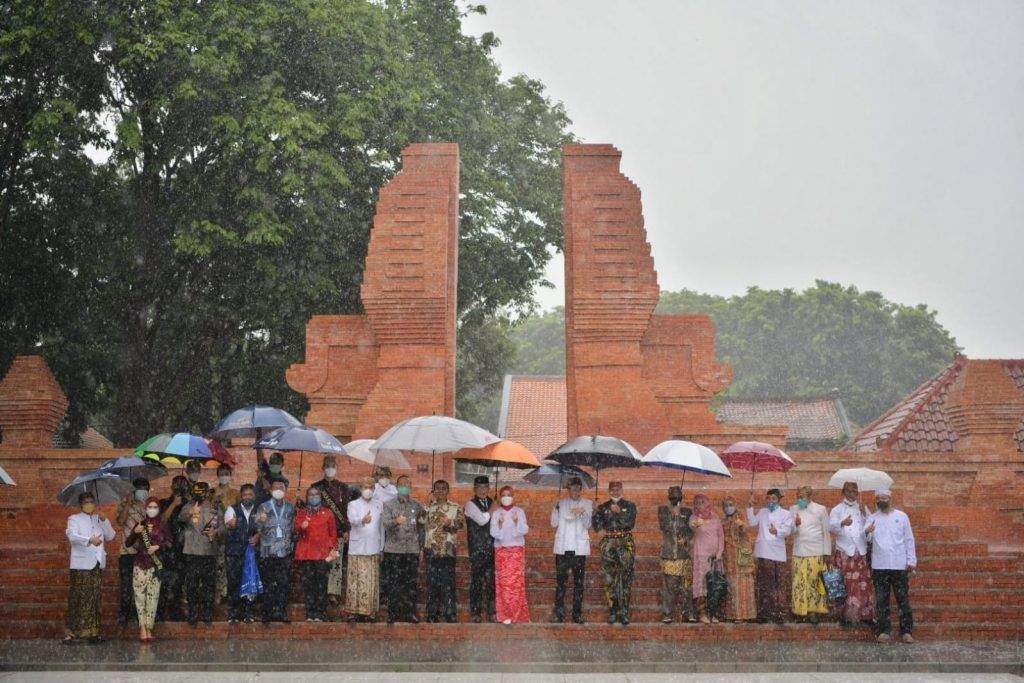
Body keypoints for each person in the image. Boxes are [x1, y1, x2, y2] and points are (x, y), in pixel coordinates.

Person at [865, 488, 917, 643]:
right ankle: (884, 631)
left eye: (884, 498)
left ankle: (906, 631)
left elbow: (909, 539)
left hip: (899, 565)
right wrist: (868, 531)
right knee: (882, 600)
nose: (882, 500)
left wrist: (911, 560)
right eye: (879, 498)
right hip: (880, 566)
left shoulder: (901, 517)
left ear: (889, 498)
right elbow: (866, 539)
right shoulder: (872, 518)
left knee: (903, 599)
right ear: (876, 500)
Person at [63, 492, 116, 644]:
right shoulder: (74, 519)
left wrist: (105, 520)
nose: (89, 504)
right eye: (86, 502)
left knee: (94, 598)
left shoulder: (99, 518)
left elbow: (111, 536)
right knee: (79, 598)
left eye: (91, 501)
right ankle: (75, 632)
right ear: (81, 504)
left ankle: (94, 631)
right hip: (81, 566)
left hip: (97, 564)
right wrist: (89, 540)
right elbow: (72, 536)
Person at [829, 481, 875, 627]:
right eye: (848, 491)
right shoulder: (837, 509)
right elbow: (831, 527)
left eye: (854, 491)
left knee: (862, 584)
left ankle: (863, 616)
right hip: (844, 551)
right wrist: (842, 523)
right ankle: (845, 616)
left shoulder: (862, 508)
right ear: (843, 492)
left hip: (859, 552)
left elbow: (871, 526)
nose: (852, 494)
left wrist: (865, 517)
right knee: (844, 583)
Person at [125, 496, 171, 642]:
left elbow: (170, 543)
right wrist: (135, 532)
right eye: (149, 507)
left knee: (153, 598)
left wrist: (158, 546)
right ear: (145, 509)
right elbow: (128, 543)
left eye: (154, 507)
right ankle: (142, 628)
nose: (152, 510)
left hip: (155, 566)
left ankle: (149, 627)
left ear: (158, 509)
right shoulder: (140, 524)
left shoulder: (162, 525)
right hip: (140, 564)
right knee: (140, 597)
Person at [592, 481, 637, 626]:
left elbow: (630, 524)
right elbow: (597, 527)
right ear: (609, 490)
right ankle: (613, 610)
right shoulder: (603, 506)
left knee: (625, 578)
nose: (615, 492)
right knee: (609, 579)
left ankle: (624, 612)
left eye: (618, 489)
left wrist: (618, 514)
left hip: (625, 542)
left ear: (622, 490)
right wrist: (595, 513)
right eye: (613, 489)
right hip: (609, 543)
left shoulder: (630, 506)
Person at [382, 475, 426, 623]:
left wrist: (421, 547)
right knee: (394, 583)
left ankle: (410, 613)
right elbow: (386, 524)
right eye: (401, 484)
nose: (404, 486)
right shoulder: (388, 505)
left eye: (407, 484)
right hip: (394, 550)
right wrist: (396, 521)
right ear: (396, 486)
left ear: (411, 486)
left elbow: (422, 528)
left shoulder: (417, 506)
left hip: (411, 550)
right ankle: (393, 613)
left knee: (410, 584)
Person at [746, 488, 794, 624]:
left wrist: (777, 531)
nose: (771, 501)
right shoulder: (762, 512)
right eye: (769, 498)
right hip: (763, 552)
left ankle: (779, 614)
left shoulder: (786, 514)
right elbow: (752, 522)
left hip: (778, 554)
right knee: (764, 584)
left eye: (774, 498)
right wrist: (750, 506)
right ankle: (765, 613)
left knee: (778, 585)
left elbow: (788, 530)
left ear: (779, 500)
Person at [294, 485, 339, 622]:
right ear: (307, 498)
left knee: (321, 584)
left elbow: (333, 534)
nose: (314, 497)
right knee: (309, 585)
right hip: (306, 554)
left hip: (322, 555)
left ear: (320, 496)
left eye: (316, 494)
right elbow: (296, 530)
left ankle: (320, 612)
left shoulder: (328, 513)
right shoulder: (302, 513)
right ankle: (310, 613)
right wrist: (302, 527)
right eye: (311, 495)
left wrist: (332, 549)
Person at [551, 477, 592, 624]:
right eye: (572, 489)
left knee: (579, 584)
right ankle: (559, 614)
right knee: (561, 583)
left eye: (578, 489)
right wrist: (555, 509)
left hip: (579, 550)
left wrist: (582, 513)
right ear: (568, 490)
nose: (575, 491)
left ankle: (577, 614)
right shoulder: (561, 503)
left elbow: (588, 525)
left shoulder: (587, 503)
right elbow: (553, 523)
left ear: (581, 489)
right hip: (563, 549)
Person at [177, 481, 219, 626]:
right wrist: (190, 512)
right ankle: (193, 613)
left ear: (207, 493)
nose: (199, 494)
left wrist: (216, 532)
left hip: (209, 551)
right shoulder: (188, 506)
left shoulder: (215, 508)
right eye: (197, 491)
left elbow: (224, 529)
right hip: (192, 551)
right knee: (192, 585)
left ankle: (207, 613)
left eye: (202, 491)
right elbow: (180, 518)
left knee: (209, 585)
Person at [254, 477, 296, 623]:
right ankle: (267, 613)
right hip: (268, 551)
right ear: (271, 490)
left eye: (282, 487)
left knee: (283, 584)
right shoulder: (263, 506)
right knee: (268, 583)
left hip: (284, 551)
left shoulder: (290, 507)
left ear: (285, 490)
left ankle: (281, 612)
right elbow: (257, 527)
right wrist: (262, 520)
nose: (279, 490)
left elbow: (293, 528)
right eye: (276, 487)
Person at [311, 455, 350, 606]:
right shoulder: (316, 487)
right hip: (320, 531)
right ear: (322, 468)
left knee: (336, 563)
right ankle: (320, 590)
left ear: (337, 467)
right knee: (321, 564)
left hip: (338, 531)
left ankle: (333, 592)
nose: (330, 468)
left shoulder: (343, 488)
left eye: (332, 465)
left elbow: (346, 510)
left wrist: (346, 529)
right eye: (327, 465)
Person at [790, 485, 832, 624]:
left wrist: (827, 553)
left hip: (816, 551)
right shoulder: (793, 509)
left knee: (814, 582)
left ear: (809, 497)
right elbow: (791, 531)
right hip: (799, 552)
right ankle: (800, 611)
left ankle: (813, 612)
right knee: (799, 583)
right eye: (798, 497)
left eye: (802, 497)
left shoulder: (820, 510)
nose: (799, 500)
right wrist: (795, 524)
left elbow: (826, 532)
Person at [424, 479, 465, 623]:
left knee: (448, 583)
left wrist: (450, 523)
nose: (440, 491)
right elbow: (420, 522)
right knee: (432, 583)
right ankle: (432, 614)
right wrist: (427, 505)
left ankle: (449, 613)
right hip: (432, 550)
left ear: (448, 491)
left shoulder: (455, 507)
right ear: (433, 491)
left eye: (443, 488)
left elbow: (460, 524)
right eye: (437, 488)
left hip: (448, 550)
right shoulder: (428, 508)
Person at [490, 485, 530, 624]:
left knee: (516, 584)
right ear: (500, 497)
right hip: (502, 552)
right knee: (503, 585)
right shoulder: (496, 513)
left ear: (513, 496)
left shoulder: (519, 511)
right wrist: (500, 525)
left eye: (509, 495)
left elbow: (524, 530)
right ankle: (505, 614)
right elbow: (494, 533)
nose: (506, 497)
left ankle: (518, 615)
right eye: (504, 495)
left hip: (516, 552)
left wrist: (516, 521)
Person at [346, 475, 384, 621]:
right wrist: (362, 520)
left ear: (374, 489)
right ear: (360, 489)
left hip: (373, 547)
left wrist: (381, 548)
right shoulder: (353, 504)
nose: (368, 490)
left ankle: (369, 612)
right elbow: (352, 520)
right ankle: (353, 612)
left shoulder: (379, 504)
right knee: (355, 581)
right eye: (365, 487)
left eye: (370, 487)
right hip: (357, 548)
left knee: (371, 582)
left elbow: (381, 528)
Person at [115, 477, 150, 627]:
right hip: (126, 551)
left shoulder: (151, 506)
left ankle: (139, 614)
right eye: (140, 489)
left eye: (145, 488)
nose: (142, 491)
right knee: (126, 584)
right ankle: (124, 614)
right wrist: (129, 502)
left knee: (142, 585)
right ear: (134, 491)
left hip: (144, 552)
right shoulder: (125, 503)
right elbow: (120, 521)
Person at [658, 486, 695, 624]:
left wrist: (686, 537)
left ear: (681, 496)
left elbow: (690, 530)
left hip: (684, 554)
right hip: (669, 555)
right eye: (673, 495)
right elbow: (664, 527)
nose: (675, 497)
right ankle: (667, 614)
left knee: (687, 587)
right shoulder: (663, 510)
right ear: (668, 496)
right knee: (669, 587)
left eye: (678, 494)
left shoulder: (687, 511)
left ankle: (689, 613)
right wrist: (673, 516)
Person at [222, 483, 259, 623]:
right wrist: (232, 525)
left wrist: (257, 536)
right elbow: (227, 528)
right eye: (244, 495)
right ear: (240, 496)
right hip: (234, 553)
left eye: (250, 494)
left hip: (251, 554)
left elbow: (264, 527)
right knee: (234, 583)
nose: (247, 497)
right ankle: (233, 614)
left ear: (254, 496)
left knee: (250, 582)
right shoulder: (232, 510)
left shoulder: (259, 510)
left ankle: (248, 613)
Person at [157, 475, 190, 621]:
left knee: (179, 581)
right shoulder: (163, 502)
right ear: (171, 487)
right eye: (176, 485)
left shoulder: (189, 504)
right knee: (164, 581)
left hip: (183, 548)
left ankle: (176, 611)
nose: (179, 488)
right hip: (166, 548)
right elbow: (162, 520)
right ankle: (161, 612)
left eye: (182, 485)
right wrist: (174, 504)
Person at [463, 475, 495, 622]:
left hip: (492, 547)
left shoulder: (492, 502)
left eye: (485, 487)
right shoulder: (470, 504)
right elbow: (482, 521)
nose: (483, 490)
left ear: (489, 488)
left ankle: (491, 611)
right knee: (476, 581)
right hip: (477, 548)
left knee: (491, 582)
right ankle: (476, 612)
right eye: (480, 487)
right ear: (474, 489)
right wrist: (493, 509)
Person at [690, 493, 725, 623]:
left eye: (702, 502)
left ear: (707, 503)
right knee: (701, 585)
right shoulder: (694, 517)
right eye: (697, 502)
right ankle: (702, 613)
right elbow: (691, 525)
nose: (699, 505)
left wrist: (719, 553)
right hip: (701, 557)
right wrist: (695, 524)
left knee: (714, 584)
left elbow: (721, 536)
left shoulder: (715, 518)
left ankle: (713, 613)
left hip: (715, 558)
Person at [721, 496, 757, 621]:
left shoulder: (739, 519)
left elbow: (745, 531)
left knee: (742, 586)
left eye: (731, 504)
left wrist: (741, 526)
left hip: (740, 559)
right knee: (731, 586)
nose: (728, 507)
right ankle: (732, 615)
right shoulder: (723, 522)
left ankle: (743, 615)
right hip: (728, 559)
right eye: (725, 505)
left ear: (735, 505)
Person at [211, 464, 239, 606]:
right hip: (215, 534)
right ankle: (219, 592)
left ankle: (229, 592)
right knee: (217, 565)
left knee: (230, 565)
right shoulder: (212, 492)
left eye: (226, 473)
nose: (224, 476)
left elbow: (237, 512)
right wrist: (216, 503)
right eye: (221, 473)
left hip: (232, 534)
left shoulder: (235, 493)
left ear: (230, 475)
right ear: (217, 475)